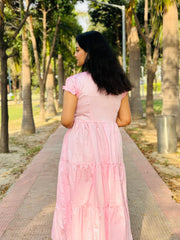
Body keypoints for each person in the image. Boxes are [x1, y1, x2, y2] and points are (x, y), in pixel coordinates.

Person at [51, 31, 133, 240]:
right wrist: (104, 123)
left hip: (81, 145)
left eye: (78, 50)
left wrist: (88, 123)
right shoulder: (118, 83)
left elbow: (67, 120)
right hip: (109, 145)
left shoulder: (75, 82)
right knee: (109, 193)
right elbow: (125, 120)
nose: (75, 54)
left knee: (80, 194)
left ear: (89, 53)